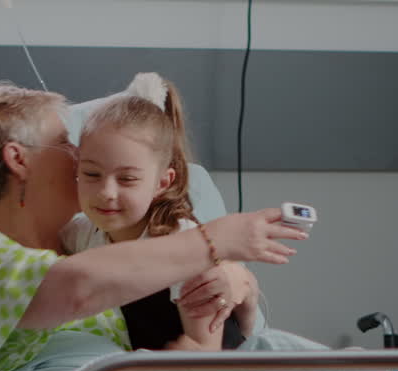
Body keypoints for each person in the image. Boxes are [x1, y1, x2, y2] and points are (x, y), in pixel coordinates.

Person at [0, 82, 304, 371]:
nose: (77, 156)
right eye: (66, 142)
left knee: (313, 368)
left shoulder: (87, 247)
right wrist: (214, 241)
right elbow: (73, 289)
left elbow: (231, 337)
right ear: (19, 159)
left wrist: (242, 284)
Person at [63, 72, 257, 352]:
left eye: (127, 179)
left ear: (162, 183)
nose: (107, 192)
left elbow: (205, 352)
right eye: (92, 174)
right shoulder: (82, 234)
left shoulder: (183, 245)